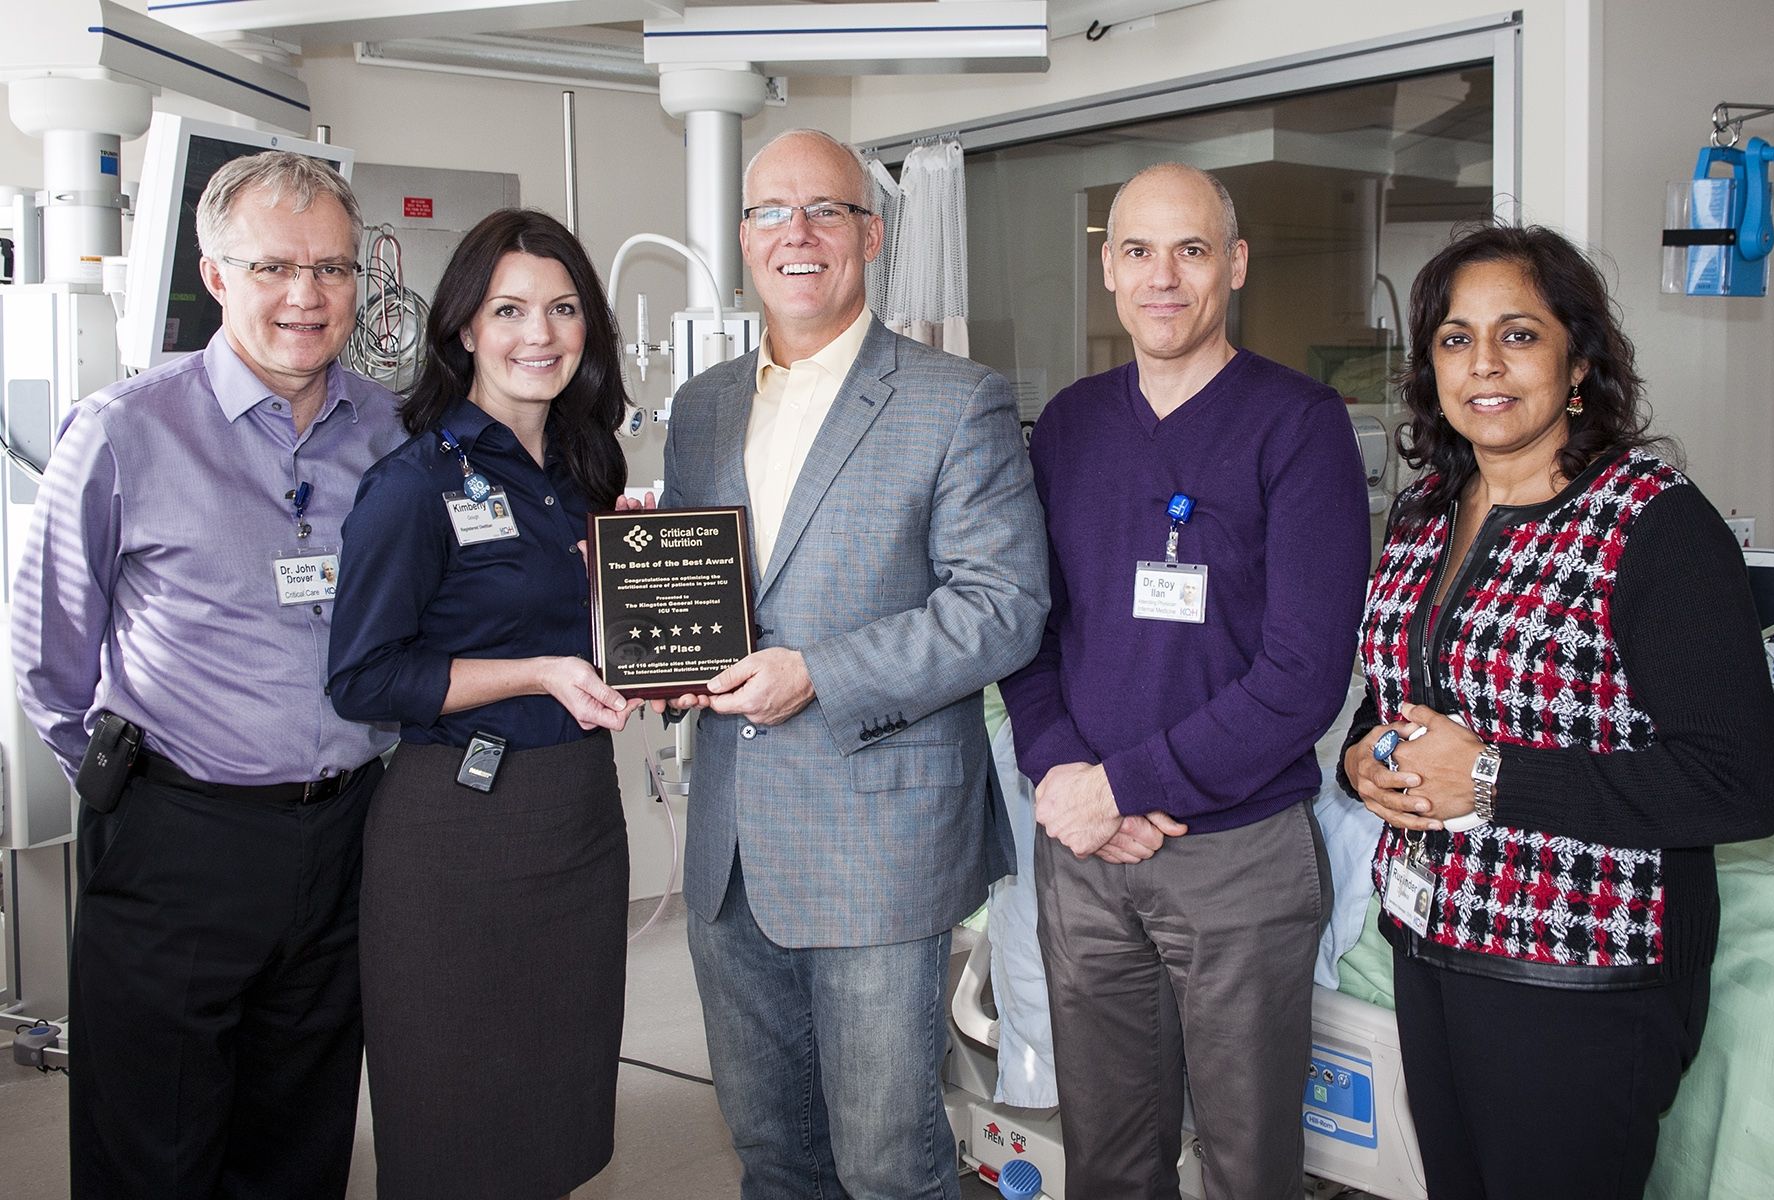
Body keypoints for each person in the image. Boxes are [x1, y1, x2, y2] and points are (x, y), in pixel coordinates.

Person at [1339, 223, 1774, 1199]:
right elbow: (1390, 697)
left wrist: (1492, 778)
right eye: (1456, 339)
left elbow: (1738, 784)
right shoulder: (1423, 512)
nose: (1484, 363)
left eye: (1520, 334)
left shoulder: (1652, 522)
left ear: (1579, 362)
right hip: (1431, 944)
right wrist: (1363, 760)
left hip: (1577, 976)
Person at [656, 128, 1048, 1198]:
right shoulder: (702, 407)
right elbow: (708, 591)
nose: (798, 234)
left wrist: (818, 671)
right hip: (730, 847)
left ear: (869, 234)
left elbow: (1004, 608)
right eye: (771, 213)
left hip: (881, 843)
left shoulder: (953, 398)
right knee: (775, 1155)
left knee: (888, 1164)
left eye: (824, 209)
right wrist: (668, 654)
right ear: (743, 240)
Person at [10, 151, 404, 1199]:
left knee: (299, 1139)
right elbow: (48, 655)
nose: (306, 297)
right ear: (216, 273)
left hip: (345, 840)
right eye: (274, 266)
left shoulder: (385, 429)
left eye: (331, 268)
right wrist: (135, 792)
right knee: (155, 1148)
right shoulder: (126, 430)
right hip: (181, 843)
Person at [999, 162, 1370, 1198]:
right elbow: (1031, 630)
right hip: (1086, 858)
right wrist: (1068, 771)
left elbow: (1303, 676)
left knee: (1250, 1167)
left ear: (1235, 265)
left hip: (1239, 856)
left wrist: (1117, 789)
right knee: (1109, 1160)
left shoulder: (1300, 427)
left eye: (1193, 249)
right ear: (1109, 269)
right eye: (1138, 250)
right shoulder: (1069, 427)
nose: (1164, 275)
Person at [327, 208, 639, 1200]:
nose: (537, 334)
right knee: (456, 1123)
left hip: (577, 822)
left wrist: (636, 595)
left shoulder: (586, 474)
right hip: (459, 832)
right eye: (508, 309)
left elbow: (590, 648)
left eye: (561, 308)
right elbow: (364, 678)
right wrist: (539, 672)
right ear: (465, 327)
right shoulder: (413, 482)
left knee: (555, 1113)